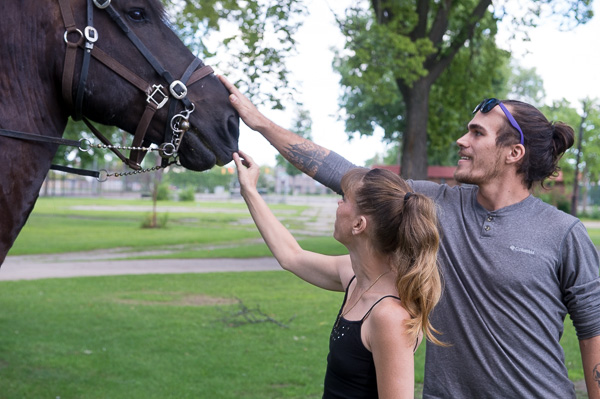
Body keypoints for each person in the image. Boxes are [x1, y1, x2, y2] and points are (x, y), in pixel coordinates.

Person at [219, 75, 600, 399]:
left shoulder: (563, 233)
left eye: (476, 133)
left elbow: (593, 331)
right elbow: (343, 173)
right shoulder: (435, 205)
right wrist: (260, 123)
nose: (461, 141)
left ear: (514, 152)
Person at [233, 149, 443, 398]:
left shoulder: (388, 316)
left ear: (358, 225)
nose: (338, 203)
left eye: (344, 198)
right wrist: (250, 191)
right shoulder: (355, 276)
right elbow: (292, 256)